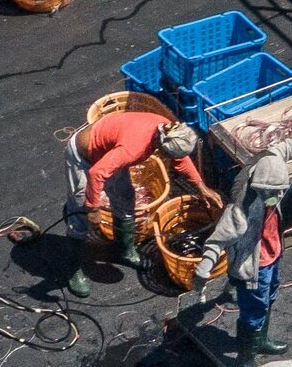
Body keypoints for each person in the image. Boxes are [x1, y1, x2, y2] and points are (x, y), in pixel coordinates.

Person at [192, 126, 292, 367]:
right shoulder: (240, 210)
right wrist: (203, 268)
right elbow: (217, 241)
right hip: (253, 266)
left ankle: (261, 341)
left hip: (273, 253)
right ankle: (245, 356)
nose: (273, 198)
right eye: (269, 193)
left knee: (269, 297)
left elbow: (287, 147)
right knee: (253, 309)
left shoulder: (270, 158)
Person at [64, 112, 219, 298]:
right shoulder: (133, 149)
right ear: (161, 148)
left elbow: (180, 158)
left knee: (126, 200)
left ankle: (126, 250)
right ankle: (72, 270)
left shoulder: (169, 130)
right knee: (81, 213)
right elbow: (97, 172)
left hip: (110, 154)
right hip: (84, 160)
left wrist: (201, 186)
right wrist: (93, 208)